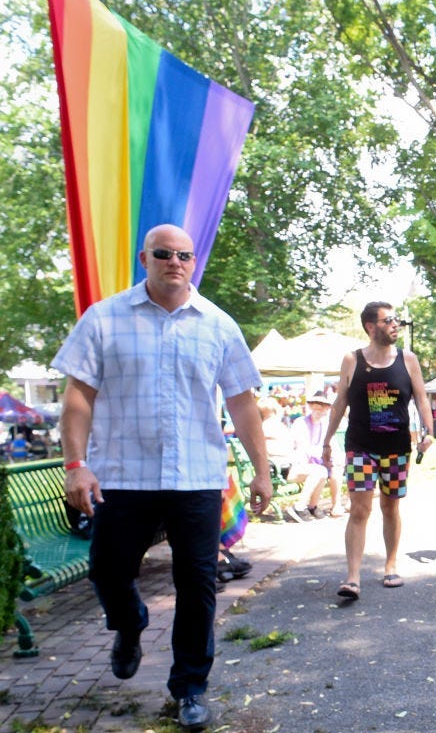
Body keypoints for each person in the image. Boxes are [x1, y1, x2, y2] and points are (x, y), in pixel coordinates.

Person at [53, 224, 271, 732]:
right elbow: (78, 397)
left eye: (184, 255)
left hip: (195, 477)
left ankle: (190, 687)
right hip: (122, 475)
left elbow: (242, 401)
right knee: (108, 569)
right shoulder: (104, 320)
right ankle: (129, 625)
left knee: (197, 585)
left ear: (193, 263)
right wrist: (75, 463)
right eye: (164, 253)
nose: (175, 261)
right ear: (144, 258)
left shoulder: (218, 325)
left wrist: (261, 470)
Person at [322, 301, 433, 600]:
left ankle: (391, 564)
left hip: (396, 448)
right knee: (359, 508)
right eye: (388, 320)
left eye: (396, 319)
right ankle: (352, 576)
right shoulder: (352, 360)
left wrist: (429, 431)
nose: (395, 324)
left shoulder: (408, 359)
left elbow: (422, 398)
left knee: (390, 506)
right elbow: (340, 403)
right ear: (371, 327)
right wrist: (327, 440)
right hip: (360, 447)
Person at [284, 390, 333, 522]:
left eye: (322, 405)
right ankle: (299, 507)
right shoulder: (300, 423)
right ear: (310, 406)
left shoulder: (326, 425)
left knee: (323, 471)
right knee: (320, 471)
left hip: (314, 465)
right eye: (315, 404)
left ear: (327, 408)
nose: (318, 408)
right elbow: (300, 448)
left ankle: (312, 506)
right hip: (294, 466)